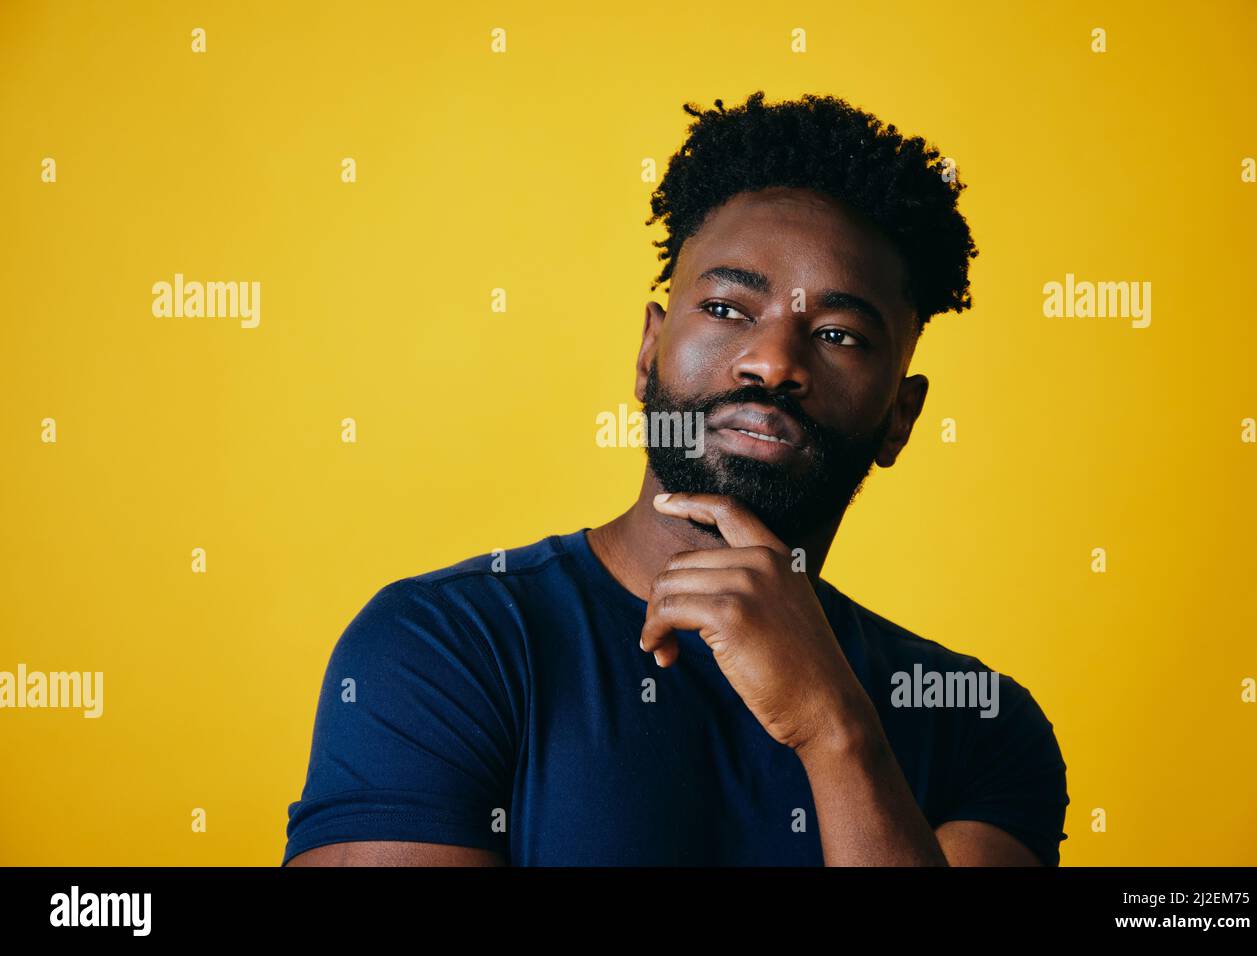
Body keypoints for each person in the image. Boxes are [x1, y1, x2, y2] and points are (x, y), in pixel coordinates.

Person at [282, 91, 1069, 866]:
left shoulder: (981, 724)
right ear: (649, 352)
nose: (773, 362)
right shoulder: (445, 647)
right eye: (728, 309)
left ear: (900, 415)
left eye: (837, 334)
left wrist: (834, 730)